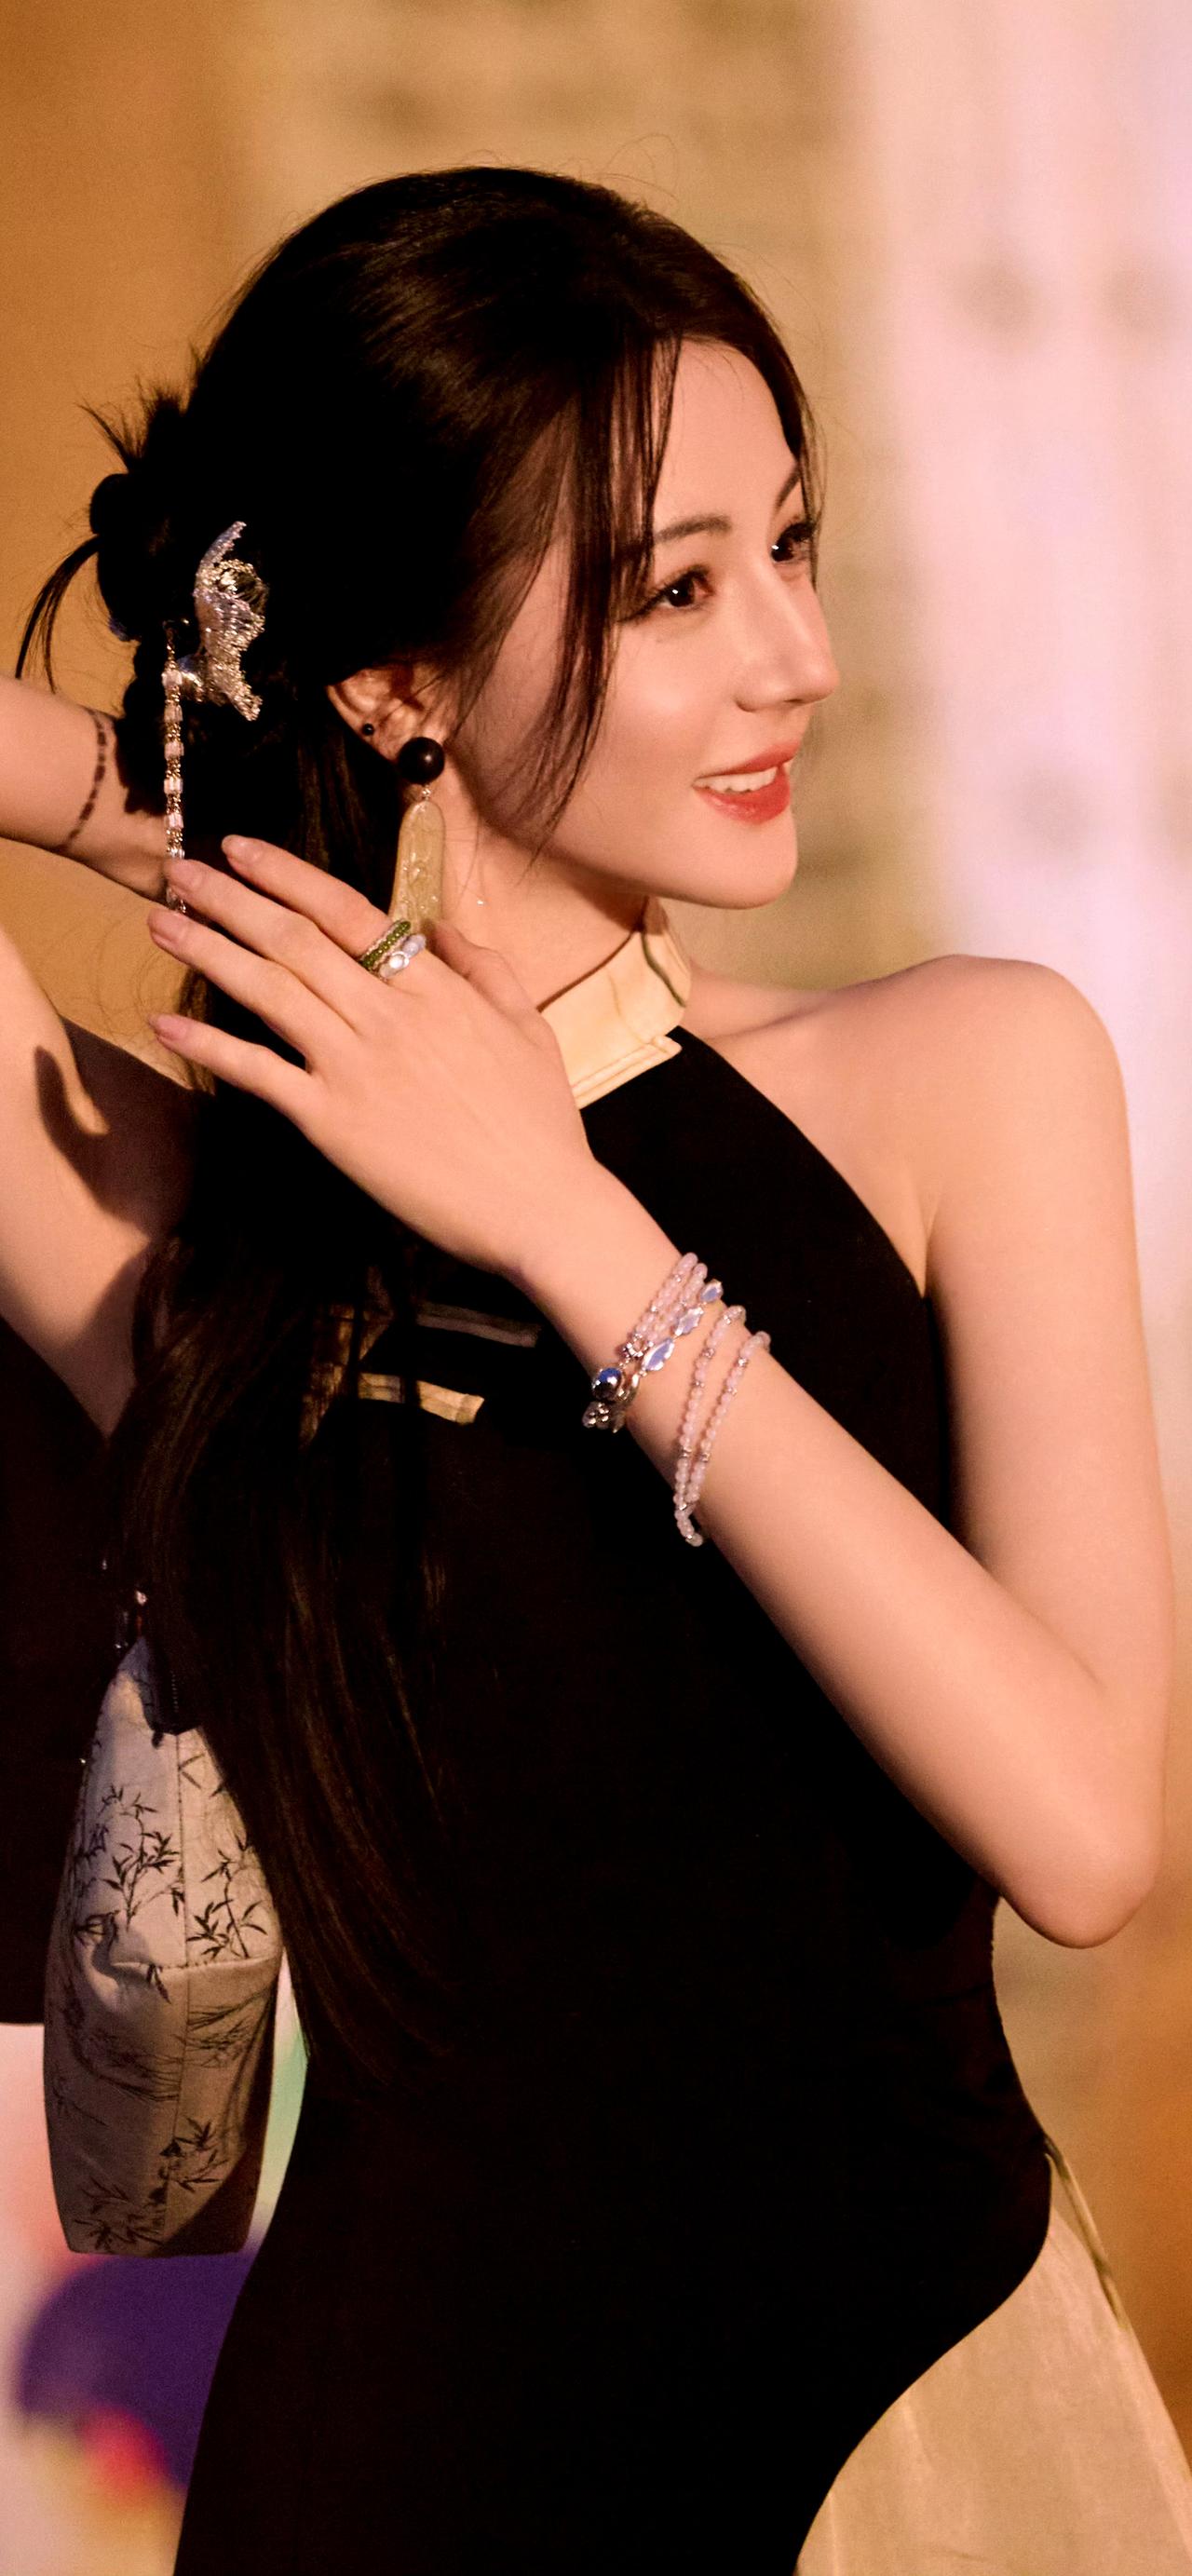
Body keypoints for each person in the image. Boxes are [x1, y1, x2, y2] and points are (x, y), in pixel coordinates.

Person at [4, 162, 1190, 2574]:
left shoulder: (966, 1072)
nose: (799, 658)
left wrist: (563, 1218)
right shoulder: (197, 1231)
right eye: (677, 588)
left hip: (911, 2461)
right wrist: (199, 820)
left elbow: (1086, 1827)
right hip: (387, 2482)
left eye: (795, 546)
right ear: (397, 679)